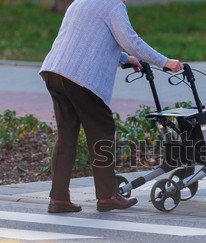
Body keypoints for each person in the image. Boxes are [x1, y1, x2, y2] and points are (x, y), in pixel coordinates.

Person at [40, 0, 183, 213]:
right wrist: (164, 62)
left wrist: (126, 58)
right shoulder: (113, 5)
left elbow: (90, 38)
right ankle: (107, 196)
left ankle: (58, 199)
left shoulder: (80, 2)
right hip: (80, 78)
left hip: (54, 71)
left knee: (66, 136)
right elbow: (130, 40)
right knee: (102, 132)